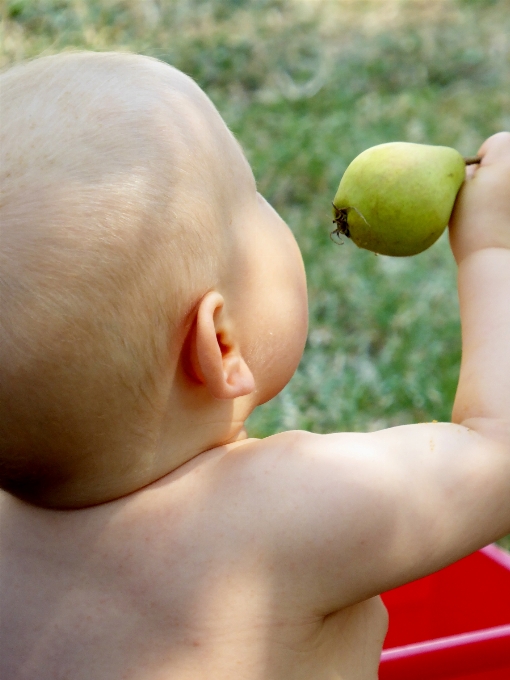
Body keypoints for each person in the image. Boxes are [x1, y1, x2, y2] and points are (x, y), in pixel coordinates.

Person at [0, 51, 509, 680]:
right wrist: (494, 246)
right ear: (219, 343)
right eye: (254, 196)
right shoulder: (280, 520)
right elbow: (501, 453)